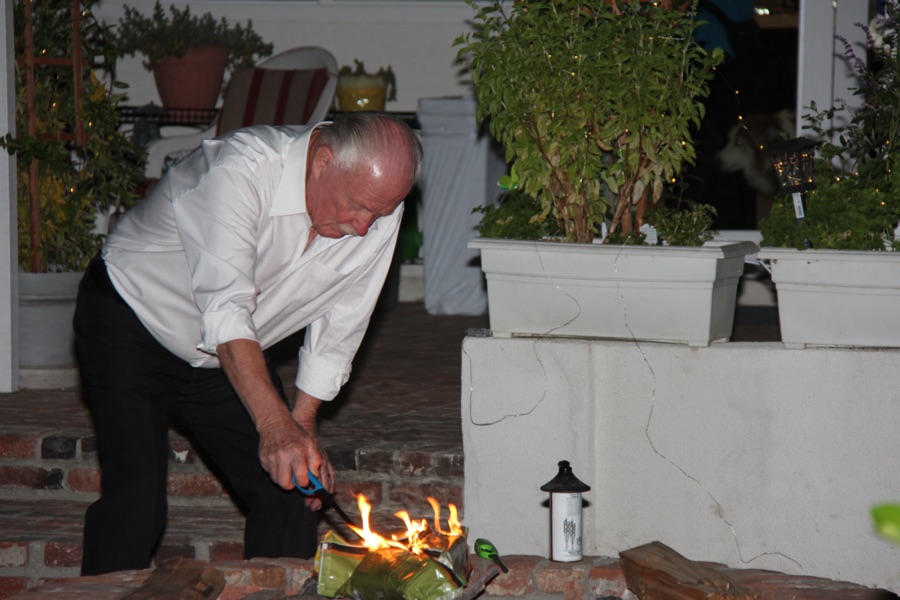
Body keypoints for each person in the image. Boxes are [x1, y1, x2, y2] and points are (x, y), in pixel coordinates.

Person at [74, 113, 423, 576]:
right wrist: (275, 427)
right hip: (131, 321)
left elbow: (343, 324)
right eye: (358, 207)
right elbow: (226, 309)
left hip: (228, 354)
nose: (364, 228)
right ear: (322, 161)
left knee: (291, 494)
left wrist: (300, 426)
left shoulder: (378, 206)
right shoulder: (240, 171)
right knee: (136, 502)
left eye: (378, 214)